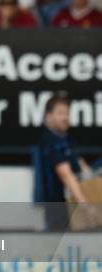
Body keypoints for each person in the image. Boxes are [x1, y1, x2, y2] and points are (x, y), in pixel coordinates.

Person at [37, 94, 94, 230]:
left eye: (67, 113)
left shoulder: (67, 141)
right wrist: (85, 206)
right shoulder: (50, 141)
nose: (65, 118)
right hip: (58, 209)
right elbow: (66, 175)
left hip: (74, 207)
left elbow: (84, 169)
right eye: (61, 113)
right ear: (48, 116)